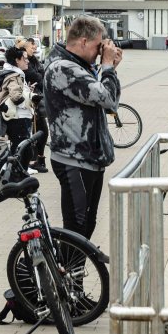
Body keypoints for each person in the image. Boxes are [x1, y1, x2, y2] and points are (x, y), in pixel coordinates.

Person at [43, 16, 122, 240]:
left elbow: (105, 101)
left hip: (88, 158)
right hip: (74, 159)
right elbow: (107, 99)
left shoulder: (78, 66)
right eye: (99, 45)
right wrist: (107, 67)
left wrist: (110, 68)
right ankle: (67, 273)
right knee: (77, 228)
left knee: (86, 226)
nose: (101, 51)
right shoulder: (63, 68)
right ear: (84, 41)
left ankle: (70, 273)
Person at [0, 46, 36, 173]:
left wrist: (27, 90)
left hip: (17, 117)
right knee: (22, 148)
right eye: (24, 59)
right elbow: (16, 96)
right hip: (18, 118)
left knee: (18, 146)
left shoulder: (13, 74)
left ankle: (10, 171)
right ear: (17, 60)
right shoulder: (14, 76)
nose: (27, 61)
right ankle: (12, 173)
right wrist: (28, 98)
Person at [23, 37, 49, 173]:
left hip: (39, 100)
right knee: (38, 132)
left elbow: (42, 75)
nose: (34, 48)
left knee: (42, 132)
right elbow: (35, 76)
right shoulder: (24, 62)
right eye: (31, 47)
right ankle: (34, 161)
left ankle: (39, 159)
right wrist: (40, 78)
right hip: (32, 101)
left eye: (34, 47)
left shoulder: (34, 60)